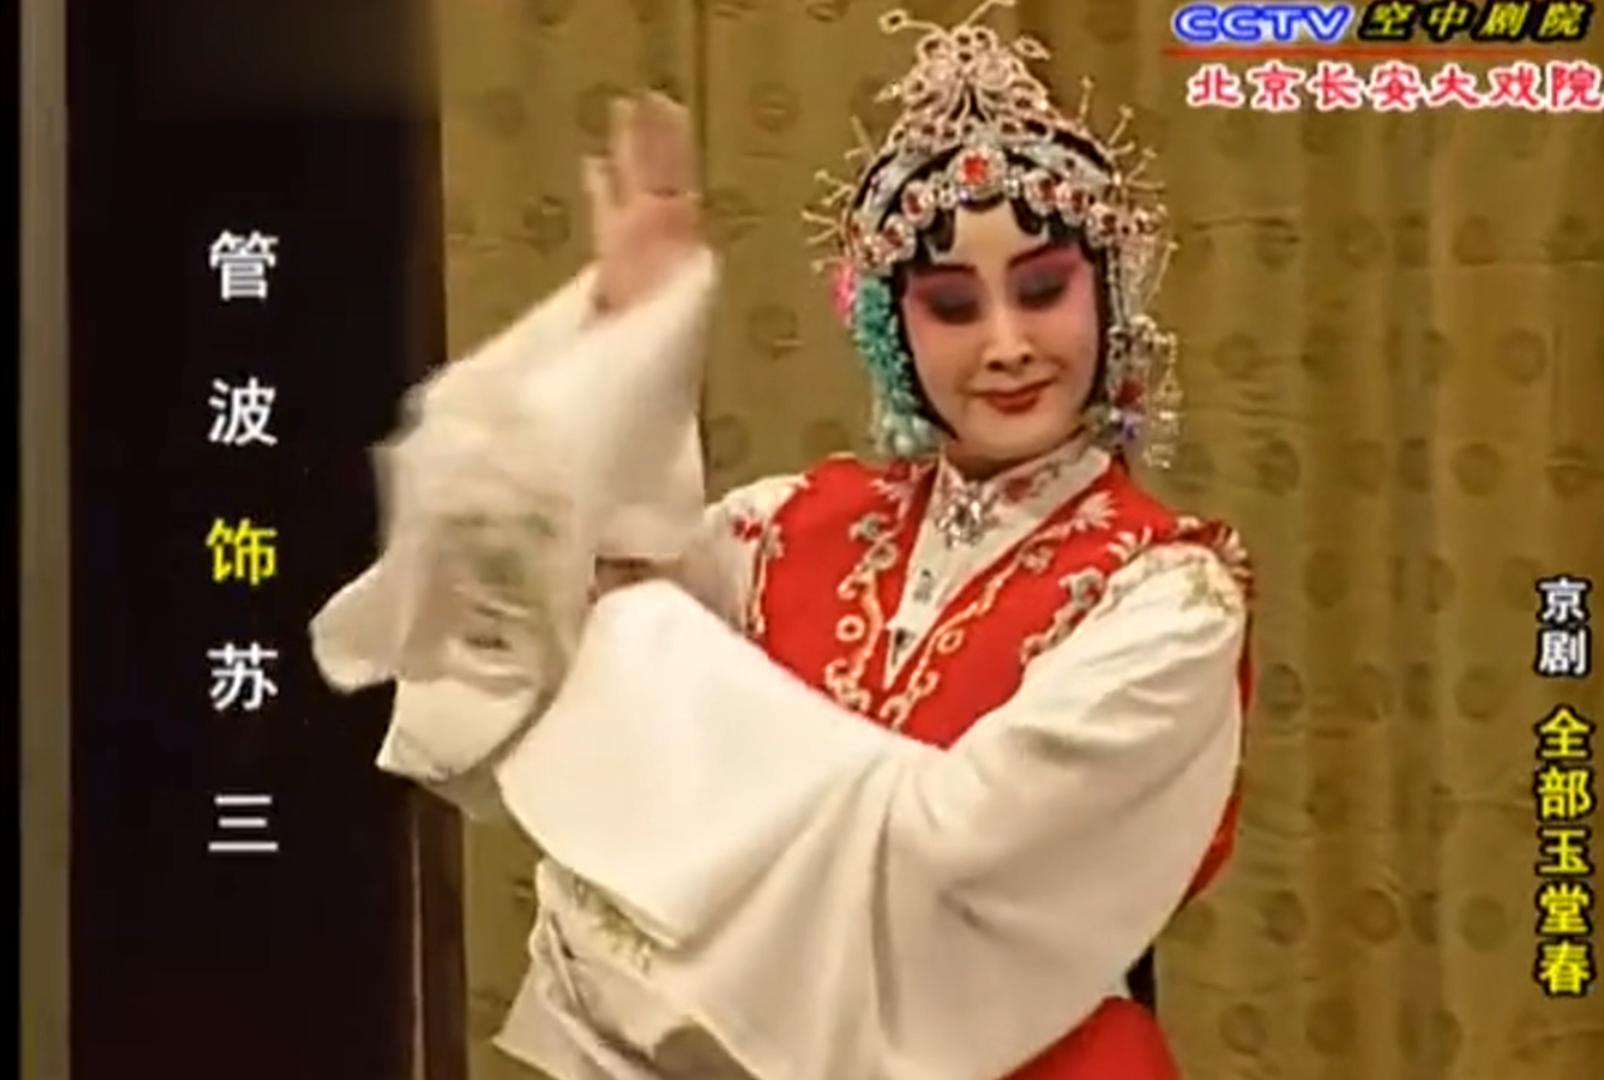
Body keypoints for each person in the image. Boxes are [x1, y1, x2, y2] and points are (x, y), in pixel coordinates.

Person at [310, 3, 1253, 1077]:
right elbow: (525, 615)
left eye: (1042, 290)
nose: (1006, 345)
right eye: (952, 306)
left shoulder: (1167, 599)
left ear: (1109, 296)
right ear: (892, 330)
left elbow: (952, 852)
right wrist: (624, 345)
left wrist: (659, 671)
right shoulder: (792, 526)